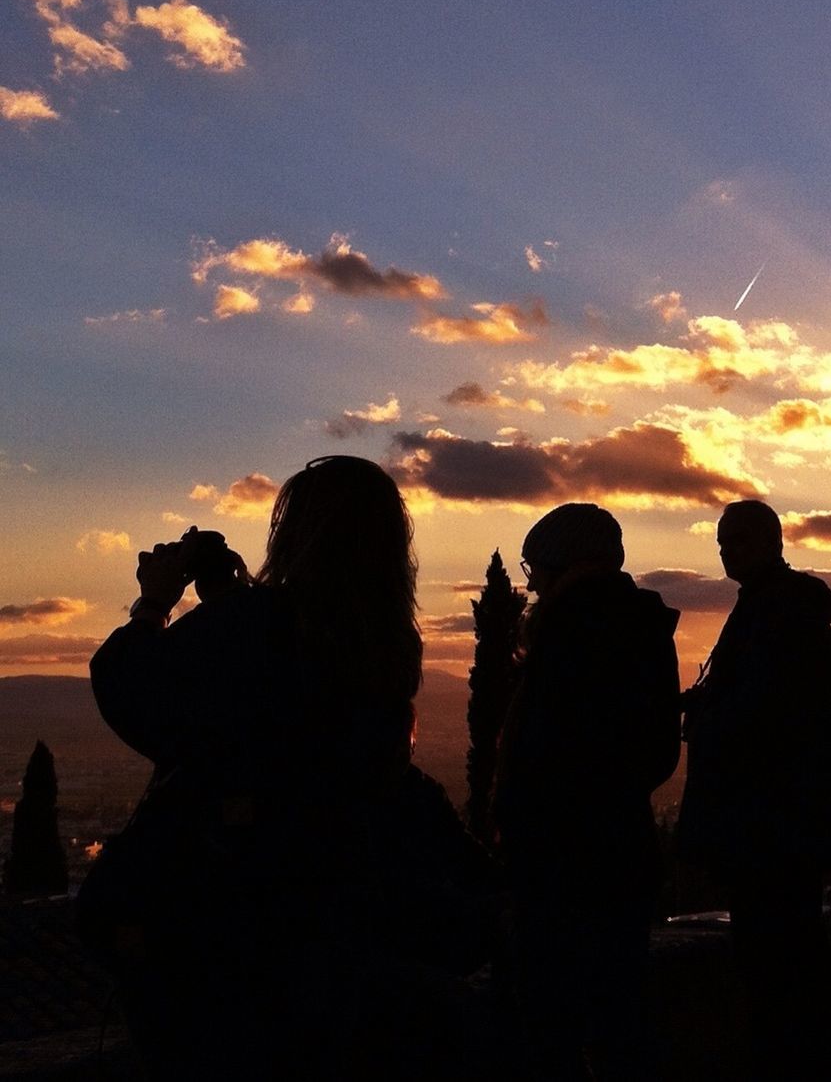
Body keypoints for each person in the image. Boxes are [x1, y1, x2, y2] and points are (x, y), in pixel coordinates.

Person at [86, 456, 493, 1079]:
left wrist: (153, 604)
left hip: (236, 920)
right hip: (338, 918)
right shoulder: (388, 643)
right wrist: (231, 597)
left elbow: (140, 694)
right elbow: (296, 684)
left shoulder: (252, 624)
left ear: (293, 532)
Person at [494, 502, 681, 1081]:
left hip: (559, 863)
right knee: (619, 1015)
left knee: (552, 1022)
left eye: (535, 571)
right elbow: (654, 752)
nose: (532, 586)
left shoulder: (571, 629)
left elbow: (548, 754)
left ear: (558, 566)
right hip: (621, 851)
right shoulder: (643, 627)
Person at [677, 499, 831, 1082]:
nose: (727, 550)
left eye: (739, 539)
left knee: (779, 948)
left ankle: (793, 1060)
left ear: (772, 541)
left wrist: (707, 713)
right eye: (723, 540)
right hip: (781, 816)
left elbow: (764, 710)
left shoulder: (776, 610)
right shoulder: (773, 606)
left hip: (770, 818)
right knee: (791, 943)